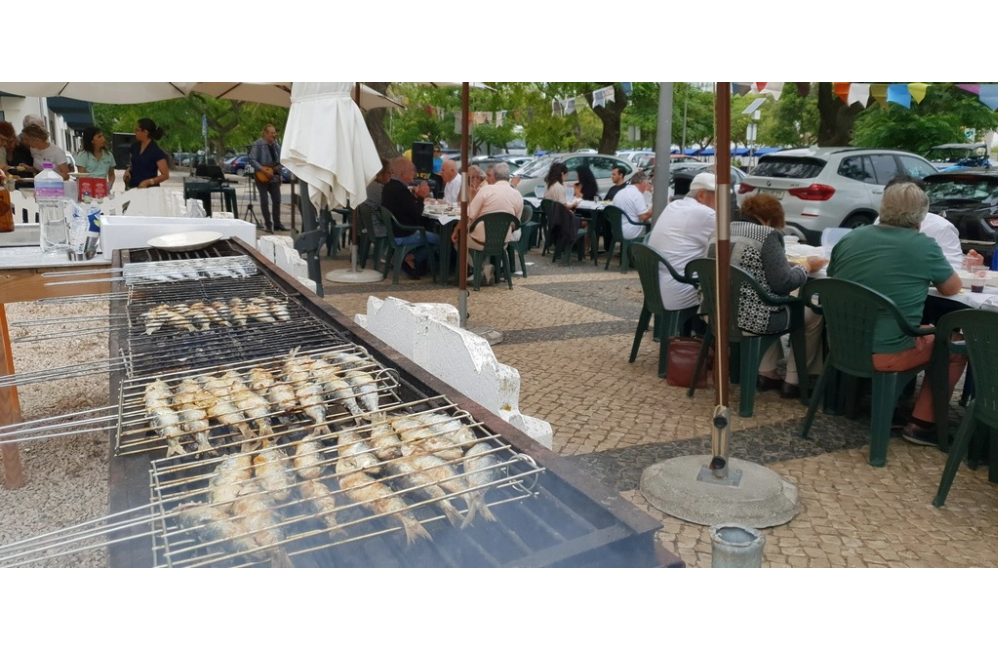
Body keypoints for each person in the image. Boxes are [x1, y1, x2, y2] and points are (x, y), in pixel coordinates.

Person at [827, 181, 965, 447]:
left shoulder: (852, 237)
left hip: (843, 343)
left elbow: (834, 276)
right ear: (921, 215)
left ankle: (889, 405)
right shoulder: (922, 245)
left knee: (915, 329)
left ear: (884, 207)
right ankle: (922, 424)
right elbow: (951, 288)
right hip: (887, 352)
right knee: (956, 345)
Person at [716, 194, 827, 399]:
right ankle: (794, 380)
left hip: (715, 313)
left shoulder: (722, 229)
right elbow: (783, 284)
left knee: (762, 299)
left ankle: (768, 373)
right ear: (770, 219)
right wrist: (807, 266)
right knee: (813, 313)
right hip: (749, 320)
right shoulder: (767, 235)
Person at [647, 172, 718, 325]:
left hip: (655, 287)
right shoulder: (706, 214)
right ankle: (718, 337)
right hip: (679, 289)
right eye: (718, 197)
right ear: (701, 195)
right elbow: (727, 248)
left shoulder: (673, 205)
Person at [453, 162, 523, 276]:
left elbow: (469, 215)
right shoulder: (518, 195)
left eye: (489, 176)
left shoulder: (485, 190)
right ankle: (485, 269)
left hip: (480, 240)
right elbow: (515, 224)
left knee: (460, 239)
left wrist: (456, 229)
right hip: (503, 241)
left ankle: (482, 268)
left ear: (494, 176)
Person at [381, 157, 440, 279]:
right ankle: (409, 258)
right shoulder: (400, 189)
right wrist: (421, 196)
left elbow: (407, 208)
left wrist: (415, 196)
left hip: (395, 232)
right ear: (404, 173)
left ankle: (407, 258)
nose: (415, 173)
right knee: (443, 241)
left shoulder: (389, 186)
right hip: (406, 233)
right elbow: (417, 214)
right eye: (412, 170)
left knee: (431, 232)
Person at [247, 124, 287, 231]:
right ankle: (268, 225)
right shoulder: (258, 144)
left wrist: (280, 175)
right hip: (261, 176)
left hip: (274, 177)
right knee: (264, 201)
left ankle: (277, 224)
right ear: (265, 133)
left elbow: (280, 162)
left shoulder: (276, 146)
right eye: (271, 133)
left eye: (274, 133)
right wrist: (263, 170)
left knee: (277, 200)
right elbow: (252, 159)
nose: (274, 135)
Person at [123, 118, 169, 189]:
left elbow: (165, 175)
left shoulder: (156, 151)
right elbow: (133, 165)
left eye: (137, 130)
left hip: (149, 190)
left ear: (145, 132)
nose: (135, 132)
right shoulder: (134, 147)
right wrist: (127, 171)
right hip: (133, 188)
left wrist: (148, 182)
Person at [612, 170, 653, 240]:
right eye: (647, 184)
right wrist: (655, 209)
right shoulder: (637, 194)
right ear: (643, 183)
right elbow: (644, 216)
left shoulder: (620, 192)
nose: (646, 187)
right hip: (632, 231)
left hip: (617, 230)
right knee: (654, 230)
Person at [362, 158, 391, 239]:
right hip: (379, 228)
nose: (390, 175)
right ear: (380, 173)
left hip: (368, 227)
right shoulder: (377, 188)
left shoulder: (368, 184)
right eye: (389, 172)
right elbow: (389, 208)